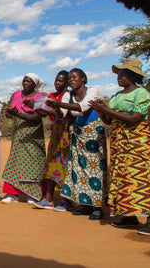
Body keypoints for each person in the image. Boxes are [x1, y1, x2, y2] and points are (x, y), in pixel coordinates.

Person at [89, 59, 150, 235]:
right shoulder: (117, 96)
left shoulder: (142, 94)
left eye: (123, 74)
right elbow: (108, 122)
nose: (119, 78)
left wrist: (106, 109)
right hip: (119, 140)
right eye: (118, 74)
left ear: (134, 76)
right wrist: (101, 110)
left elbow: (133, 118)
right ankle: (129, 216)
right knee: (122, 176)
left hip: (137, 140)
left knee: (141, 177)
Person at [46, 68, 108, 220]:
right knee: (79, 169)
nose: (71, 80)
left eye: (75, 77)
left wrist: (59, 104)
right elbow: (61, 114)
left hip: (93, 132)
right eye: (70, 78)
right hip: (77, 132)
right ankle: (85, 204)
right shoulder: (68, 95)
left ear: (83, 79)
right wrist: (56, 108)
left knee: (95, 170)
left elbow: (83, 107)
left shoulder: (92, 91)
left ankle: (98, 206)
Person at [0, 73, 46, 204]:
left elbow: (38, 117)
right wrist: (9, 112)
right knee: (16, 160)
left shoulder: (39, 97)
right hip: (19, 133)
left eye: (29, 81)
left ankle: (33, 194)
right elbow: (8, 114)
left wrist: (18, 114)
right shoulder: (15, 95)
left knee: (34, 161)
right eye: (24, 81)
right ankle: (13, 194)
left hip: (33, 134)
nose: (25, 83)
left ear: (35, 84)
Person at [31, 70, 72, 211]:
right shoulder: (52, 96)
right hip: (55, 132)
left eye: (60, 81)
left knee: (65, 165)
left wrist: (49, 109)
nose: (57, 83)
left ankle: (67, 200)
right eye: (56, 80)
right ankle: (48, 199)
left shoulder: (68, 96)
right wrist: (34, 107)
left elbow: (62, 115)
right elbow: (44, 113)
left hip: (66, 132)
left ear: (66, 82)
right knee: (51, 163)